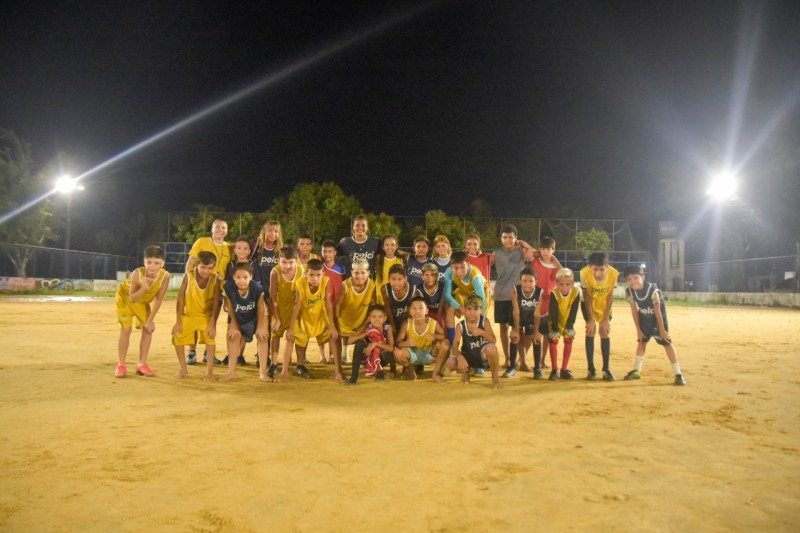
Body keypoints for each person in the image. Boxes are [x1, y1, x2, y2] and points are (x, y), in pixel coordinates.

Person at [623, 266, 686, 386]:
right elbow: (634, 311)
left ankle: (678, 374)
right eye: (629, 279)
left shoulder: (653, 291)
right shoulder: (629, 292)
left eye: (636, 277)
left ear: (642, 277)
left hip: (658, 321)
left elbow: (658, 312)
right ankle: (637, 370)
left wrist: (662, 330)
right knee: (642, 342)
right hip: (644, 319)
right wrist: (638, 330)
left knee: (667, 343)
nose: (633, 281)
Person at [114, 245, 171, 378]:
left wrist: (150, 320)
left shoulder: (165, 276)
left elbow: (158, 300)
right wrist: (143, 288)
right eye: (149, 262)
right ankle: (121, 365)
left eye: (156, 263)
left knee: (147, 329)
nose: (152, 266)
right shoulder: (137, 273)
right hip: (125, 299)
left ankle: (141, 364)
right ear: (144, 262)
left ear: (162, 263)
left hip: (142, 302)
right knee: (126, 329)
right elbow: (132, 298)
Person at [283, 259, 339, 382]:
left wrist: (332, 325)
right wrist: (291, 328)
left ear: (323, 273)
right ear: (306, 274)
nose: (315, 278)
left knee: (332, 336)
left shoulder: (326, 281)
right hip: (304, 316)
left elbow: (328, 303)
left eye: (318, 275)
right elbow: (296, 305)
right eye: (311, 275)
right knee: (297, 337)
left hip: (319, 316)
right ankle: (296, 366)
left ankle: (338, 371)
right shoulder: (300, 283)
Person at [490, 225, 534, 375]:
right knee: (503, 328)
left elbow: (537, 253)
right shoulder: (496, 253)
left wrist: (525, 244)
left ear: (516, 238)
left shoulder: (522, 251)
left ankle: (523, 360)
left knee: (519, 328)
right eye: (505, 237)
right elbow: (482, 263)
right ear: (501, 239)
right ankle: (508, 359)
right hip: (501, 294)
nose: (507, 240)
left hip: (517, 296)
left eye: (511, 237)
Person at [185, 218, 230, 365]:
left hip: (217, 288)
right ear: (212, 229)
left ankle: (207, 353)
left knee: (212, 318)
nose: (220, 230)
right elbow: (191, 263)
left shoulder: (229, 248)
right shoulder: (201, 241)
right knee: (193, 318)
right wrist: (190, 283)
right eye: (217, 227)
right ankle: (192, 352)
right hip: (198, 286)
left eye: (223, 227)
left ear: (227, 231)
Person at [432, 295, 502, 389]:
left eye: (476, 309)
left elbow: (493, 340)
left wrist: (482, 332)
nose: (472, 312)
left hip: (482, 358)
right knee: (450, 363)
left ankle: (495, 378)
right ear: (464, 310)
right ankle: (466, 371)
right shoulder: (460, 326)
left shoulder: (484, 321)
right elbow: (455, 346)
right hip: (468, 358)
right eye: (469, 309)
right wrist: (460, 357)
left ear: (481, 310)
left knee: (492, 349)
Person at [172, 251, 222, 380]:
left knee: (210, 340)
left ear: (214, 267)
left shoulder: (216, 279)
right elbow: (180, 299)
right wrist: (178, 321)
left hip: (206, 316)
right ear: (196, 265)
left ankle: (209, 371)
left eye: (210, 268)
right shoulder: (188, 276)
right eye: (203, 267)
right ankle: (183, 369)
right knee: (177, 337)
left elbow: (217, 302)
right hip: (189, 315)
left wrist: (212, 324)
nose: (206, 271)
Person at [221, 262, 269, 381]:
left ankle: (263, 373)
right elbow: (231, 307)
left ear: (251, 277)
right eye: (238, 277)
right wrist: (234, 325)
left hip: (257, 316)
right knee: (234, 336)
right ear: (233, 277)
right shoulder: (229, 287)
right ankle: (231, 372)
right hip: (240, 316)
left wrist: (260, 327)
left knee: (262, 336)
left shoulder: (257, 288)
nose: (242, 280)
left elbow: (261, 308)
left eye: (245, 277)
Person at [222, 236, 261, 366]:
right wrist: (225, 300)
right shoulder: (231, 264)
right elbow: (227, 285)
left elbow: (257, 284)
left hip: (249, 302)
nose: (242, 251)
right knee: (231, 327)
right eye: (239, 248)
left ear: (249, 251)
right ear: (234, 250)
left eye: (245, 248)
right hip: (234, 301)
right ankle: (230, 354)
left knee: (243, 330)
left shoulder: (253, 265)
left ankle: (239, 355)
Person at [580, 252, 619, 381]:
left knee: (604, 331)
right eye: (595, 269)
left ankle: (606, 369)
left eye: (602, 269)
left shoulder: (613, 274)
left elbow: (610, 297)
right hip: (589, 304)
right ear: (590, 267)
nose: (598, 273)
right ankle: (591, 369)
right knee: (590, 330)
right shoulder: (583, 273)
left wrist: (605, 319)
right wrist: (591, 319)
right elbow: (586, 296)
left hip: (604, 305)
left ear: (607, 267)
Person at [267, 246, 304, 380]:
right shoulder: (275, 272)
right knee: (276, 335)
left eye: (291, 262)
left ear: (296, 261)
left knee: (294, 336)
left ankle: (297, 364)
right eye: (284, 262)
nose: (287, 266)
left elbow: (299, 298)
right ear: (278, 260)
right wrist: (277, 318)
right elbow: (272, 297)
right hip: (279, 308)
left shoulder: (301, 270)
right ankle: (273, 363)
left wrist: (293, 320)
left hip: (294, 309)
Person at [336, 257, 377, 377]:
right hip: (345, 318)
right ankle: (343, 355)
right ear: (351, 272)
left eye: (363, 272)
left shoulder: (372, 284)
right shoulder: (345, 285)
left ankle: (367, 361)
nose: (359, 276)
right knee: (342, 336)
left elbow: (373, 304)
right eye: (356, 273)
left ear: (368, 272)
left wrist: (372, 320)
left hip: (361, 317)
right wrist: (335, 321)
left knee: (361, 338)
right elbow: (337, 304)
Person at [537, 268, 581, 380]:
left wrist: (569, 326)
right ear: (556, 283)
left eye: (567, 284)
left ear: (572, 283)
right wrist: (555, 328)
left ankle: (564, 369)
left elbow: (574, 310)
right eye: (561, 284)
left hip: (568, 321)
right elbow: (554, 311)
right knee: (554, 340)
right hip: (555, 321)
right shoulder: (554, 293)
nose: (564, 287)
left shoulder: (576, 292)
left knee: (568, 339)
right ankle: (554, 370)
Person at [393, 296, 449, 380]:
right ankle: (411, 369)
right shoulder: (406, 324)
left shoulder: (433, 323)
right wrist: (406, 343)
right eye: (414, 308)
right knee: (396, 353)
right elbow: (397, 342)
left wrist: (435, 336)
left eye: (420, 308)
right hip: (413, 355)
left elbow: (445, 336)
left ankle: (436, 373)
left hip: (430, 354)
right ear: (410, 311)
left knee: (445, 344)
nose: (417, 311)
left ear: (426, 311)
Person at [530, 236, 563, 371]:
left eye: (548, 249)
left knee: (546, 334)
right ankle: (522, 359)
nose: (545, 252)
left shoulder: (556, 268)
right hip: (533, 301)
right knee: (530, 332)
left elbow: (562, 273)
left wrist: (554, 260)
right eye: (543, 249)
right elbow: (525, 247)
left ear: (553, 250)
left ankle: (543, 360)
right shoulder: (535, 260)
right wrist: (536, 252)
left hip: (549, 303)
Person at [382, 264, 418, 376]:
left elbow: (412, 311)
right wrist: (392, 325)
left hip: (406, 320)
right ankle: (392, 368)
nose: (396, 282)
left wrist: (405, 327)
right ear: (389, 279)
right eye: (393, 279)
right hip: (391, 319)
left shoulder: (413, 290)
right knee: (390, 339)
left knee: (405, 340)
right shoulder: (385, 289)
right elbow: (387, 309)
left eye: (399, 279)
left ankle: (405, 368)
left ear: (405, 279)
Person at [346, 304, 395, 384]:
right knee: (359, 343)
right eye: (374, 316)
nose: (377, 319)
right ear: (369, 318)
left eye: (380, 317)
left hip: (382, 356)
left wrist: (375, 344)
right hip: (367, 356)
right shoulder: (367, 326)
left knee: (388, 354)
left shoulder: (387, 327)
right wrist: (366, 333)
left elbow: (391, 348)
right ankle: (354, 377)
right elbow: (349, 341)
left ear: (385, 318)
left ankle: (380, 372)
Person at [510, 267, 542, 377]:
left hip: (531, 318)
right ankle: (512, 367)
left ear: (536, 282)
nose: (527, 284)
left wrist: (537, 331)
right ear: (520, 281)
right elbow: (516, 312)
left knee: (535, 339)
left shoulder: (540, 292)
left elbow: (537, 314)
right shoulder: (515, 290)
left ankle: (537, 369)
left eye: (531, 281)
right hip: (518, 317)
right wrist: (516, 329)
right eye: (524, 281)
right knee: (515, 337)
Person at [320, 239, 345, 364]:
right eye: (324, 251)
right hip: (323, 303)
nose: (327, 254)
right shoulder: (320, 268)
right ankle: (322, 355)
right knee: (322, 329)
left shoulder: (341, 268)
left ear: (335, 252)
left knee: (335, 328)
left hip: (337, 302)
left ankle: (332, 354)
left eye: (330, 251)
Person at [252, 220, 283, 297]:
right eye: (270, 230)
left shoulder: (281, 248)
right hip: (259, 288)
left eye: (276, 231)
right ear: (264, 231)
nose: (273, 233)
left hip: (275, 289)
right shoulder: (256, 245)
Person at [374, 234, 406, 303]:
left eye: (392, 245)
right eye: (387, 245)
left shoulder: (400, 260)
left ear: (396, 246)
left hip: (394, 294)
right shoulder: (378, 259)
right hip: (380, 294)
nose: (389, 247)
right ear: (383, 247)